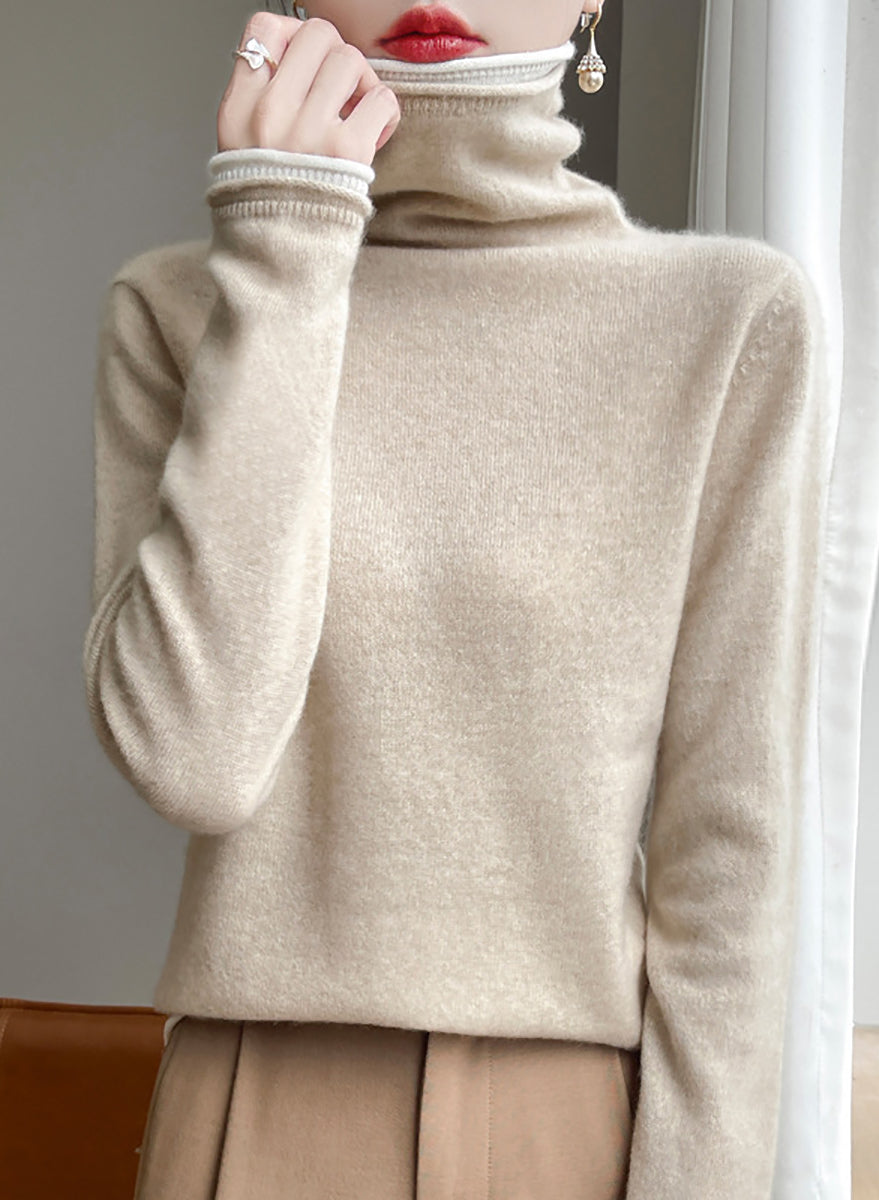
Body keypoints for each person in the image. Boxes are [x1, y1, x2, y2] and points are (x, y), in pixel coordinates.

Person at [81, 1, 830, 1197]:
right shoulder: (179, 313)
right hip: (247, 1119)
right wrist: (286, 254)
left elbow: (729, 861)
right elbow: (195, 758)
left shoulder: (726, 321)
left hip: (566, 1135)